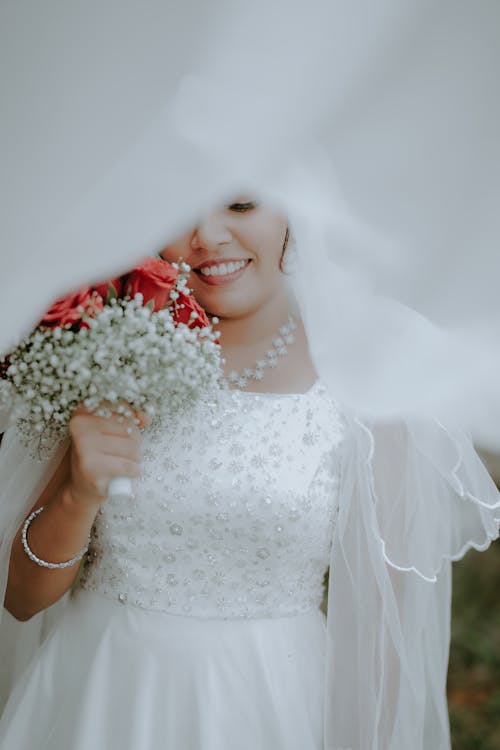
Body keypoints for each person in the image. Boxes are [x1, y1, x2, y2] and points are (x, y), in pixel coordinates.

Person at [0, 198, 498, 750]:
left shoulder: (367, 379)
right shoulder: (111, 344)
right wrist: (79, 496)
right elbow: (21, 599)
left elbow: (384, 634)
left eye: (239, 205)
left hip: (265, 702)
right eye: (178, 212)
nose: (208, 236)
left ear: (293, 210)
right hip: (99, 696)